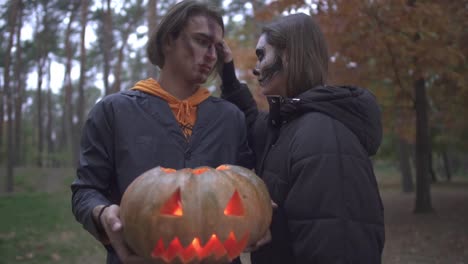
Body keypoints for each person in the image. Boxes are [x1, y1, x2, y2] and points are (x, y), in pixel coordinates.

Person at [71, 1, 253, 263]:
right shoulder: (114, 111)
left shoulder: (230, 118)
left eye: (217, 47)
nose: (212, 56)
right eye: (202, 41)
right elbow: (85, 189)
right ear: (169, 41)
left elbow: (246, 187)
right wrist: (101, 213)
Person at [219, 13, 385, 263]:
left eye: (262, 55)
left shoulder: (325, 138)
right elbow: (254, 122)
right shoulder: (289, 125)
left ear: (287, 56)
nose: (256, 68)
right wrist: (229, 77)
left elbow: (340, 249)